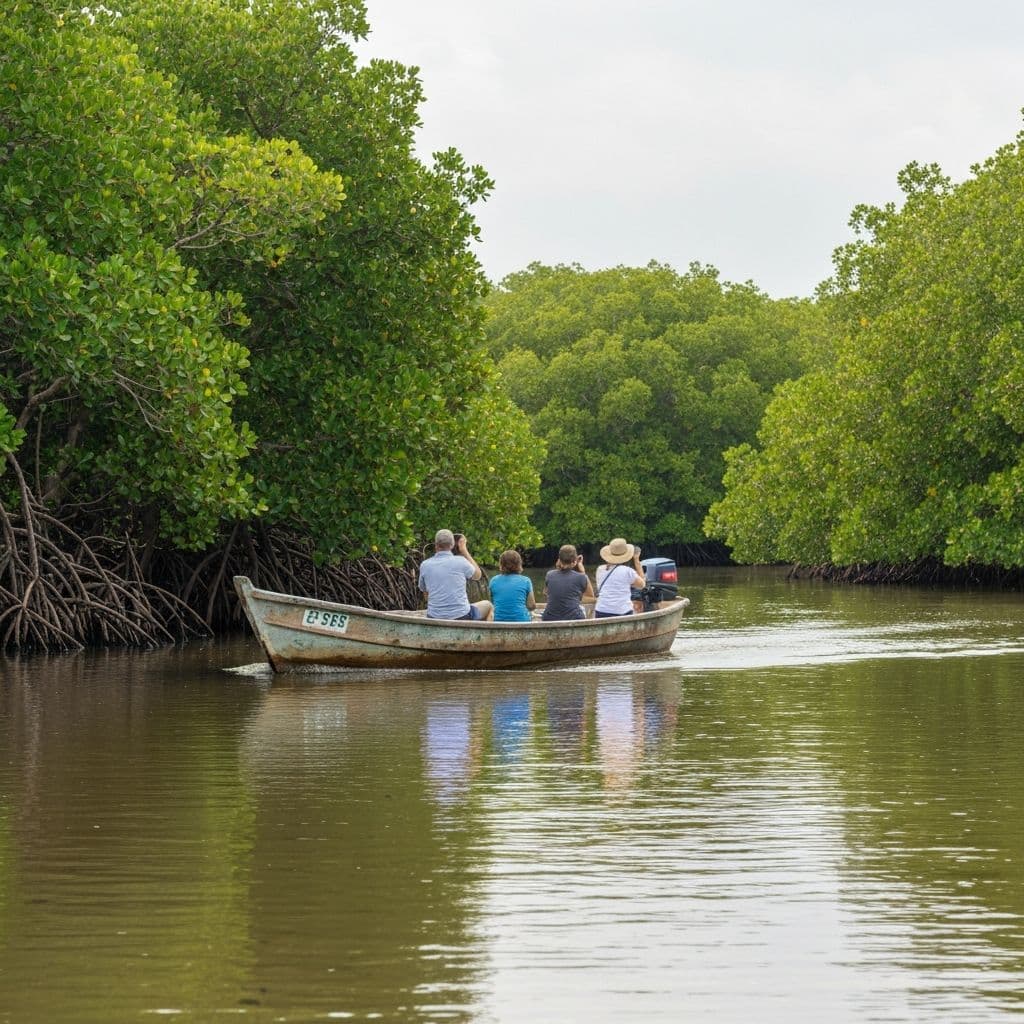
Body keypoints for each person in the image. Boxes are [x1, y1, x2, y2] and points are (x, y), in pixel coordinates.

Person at [418, 529, 493, 620]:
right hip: (462, 615)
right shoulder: (461, 561)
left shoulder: (425, 565)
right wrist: (464, 550)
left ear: (436, 544)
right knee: (488, 605)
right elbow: (478, 575)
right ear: (453, 545)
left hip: (434, 616)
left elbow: (425, 593)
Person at [541, 544, 595, 621]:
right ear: (574, 561)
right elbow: (590, 598)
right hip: (574, 618)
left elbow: (546, 593)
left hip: (549, 618)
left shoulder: (549, 574)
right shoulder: (582, 577)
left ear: (559, 559)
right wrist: (583, 571)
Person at [593, 537, 645, 617]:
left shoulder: (600, 569)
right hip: (622, 612)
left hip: (601, 610)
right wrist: (636, 559)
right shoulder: (627, 571)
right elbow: (642, 585)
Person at [489, 550, 536, 622]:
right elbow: (531, 606)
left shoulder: (493, 580)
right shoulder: (526, 580)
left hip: (499, 621)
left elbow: (492, 602)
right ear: (519, 564)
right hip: (521, 621)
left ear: (501, 564)